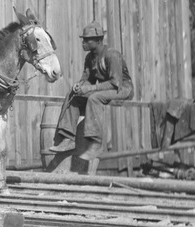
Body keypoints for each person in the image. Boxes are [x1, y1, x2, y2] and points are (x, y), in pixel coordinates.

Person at [48, 22, 134, 160]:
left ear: (99, 41)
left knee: (95, 98)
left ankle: (96, 144)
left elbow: (115, 83)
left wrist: (91, 88)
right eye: (83, 39)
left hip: (123, 89)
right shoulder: (90, 57)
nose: (83, 42)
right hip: (106, 88)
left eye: (87, 39)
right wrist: (79, 86)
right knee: (73, 95)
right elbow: (87, 79)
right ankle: (68, 139)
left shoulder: (112, 55)